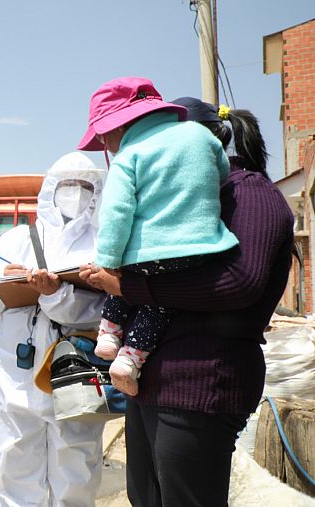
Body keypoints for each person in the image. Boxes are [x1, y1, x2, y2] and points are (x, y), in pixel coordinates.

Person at [81, 99, 294, 507]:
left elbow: (239, 283)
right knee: (145, 498)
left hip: (202, 380)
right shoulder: (183, 206)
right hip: (154, 385)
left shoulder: (250, 193)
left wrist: (130, 288)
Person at [76, 77, 238, 395]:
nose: (105, 146)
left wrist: (107, 263)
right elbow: (222, 174)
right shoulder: (201, 136)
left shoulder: (129, 154)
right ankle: (130, 359)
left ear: (118, 127)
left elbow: (116, 215)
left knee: (125, 272)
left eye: (103, 137)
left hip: (147, 252)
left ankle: (109, 334)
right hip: (200, 249)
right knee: (160, 305)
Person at [0, 153, 107, 507]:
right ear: (51, 190)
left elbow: (103, 309)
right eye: (67, 185)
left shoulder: (102, 243)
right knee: (15, 460)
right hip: (16, 371)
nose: (75, 194)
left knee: (76, 465)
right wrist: (11, 278)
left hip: (74, 370)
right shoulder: (17, 239)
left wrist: (57, 294)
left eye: (84, 186)